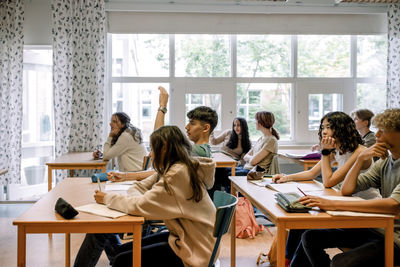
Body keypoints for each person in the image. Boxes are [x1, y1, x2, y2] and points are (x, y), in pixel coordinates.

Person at [74, 126, 217, 267]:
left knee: (123, 260)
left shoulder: (177, 174)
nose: (150, 154)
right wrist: (145, 199)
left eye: (153, 149)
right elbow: (140, 189)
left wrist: (107, 199)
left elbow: (141, 205)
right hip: (192, 239)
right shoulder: (176, 167)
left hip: (195, 250)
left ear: (164, 149)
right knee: (120, 251)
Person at [293, 108, 400, 267]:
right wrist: (359, 160)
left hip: (394, 238)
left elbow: (393, 205)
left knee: (340, 262)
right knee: (309, 237)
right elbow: (347, 190)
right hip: (375, 229)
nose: (376, 135)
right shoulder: (385, 162)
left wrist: (332, 204)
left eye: (382, 131)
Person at [272, 111, 372, 266]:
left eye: (329, 127)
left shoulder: (359, 152)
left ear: (342, 128)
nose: (324, 131)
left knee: (306, 228)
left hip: (363, 213)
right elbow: (312, 173)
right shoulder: (338, 150)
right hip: (344, 207)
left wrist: (325, 152)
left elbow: (329, 182)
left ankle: (290, 262)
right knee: (299, 222)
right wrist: (286, 177)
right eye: (323, 127)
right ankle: (289, 261)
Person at [234, 111, 279, 176]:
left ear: (260, 123)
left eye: (256, 120)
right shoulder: (261, 138)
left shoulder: (271, 141)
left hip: (255, 173)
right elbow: (245, 156)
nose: (255, 123)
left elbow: (253, 162)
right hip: (247, 168)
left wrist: (251, 158)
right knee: (223, 170)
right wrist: (251, 158)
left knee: (226, 174)